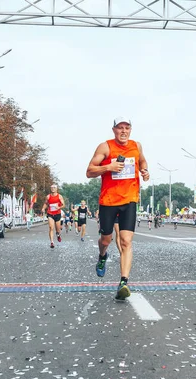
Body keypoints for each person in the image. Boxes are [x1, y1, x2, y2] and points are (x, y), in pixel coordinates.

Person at [86, 117, 149, 300]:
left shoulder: (137, 146)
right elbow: (89, 171)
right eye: (120, 128)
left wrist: (144, 171)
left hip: (129, 199)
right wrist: (108, 167)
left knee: (126, 241)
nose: (123, 131)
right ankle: (102, 255)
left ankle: (123, 282)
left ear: (130, 130)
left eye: (127, 128)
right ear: (114, 130)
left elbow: (143, 162)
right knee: (105, 240)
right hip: (108, 201)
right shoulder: (105, 147)